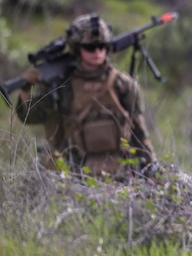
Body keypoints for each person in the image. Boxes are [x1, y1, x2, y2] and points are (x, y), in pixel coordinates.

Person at [15, 13, 155, 175]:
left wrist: (150, 168)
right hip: (74, 172)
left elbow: (139, 131)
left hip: (121, 174)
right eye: (90, 48)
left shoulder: (122, 84)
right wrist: (27, 89)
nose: (97, 52)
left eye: (102, 46)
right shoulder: (62, 86)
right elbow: (31, 117)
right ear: (77, 48)